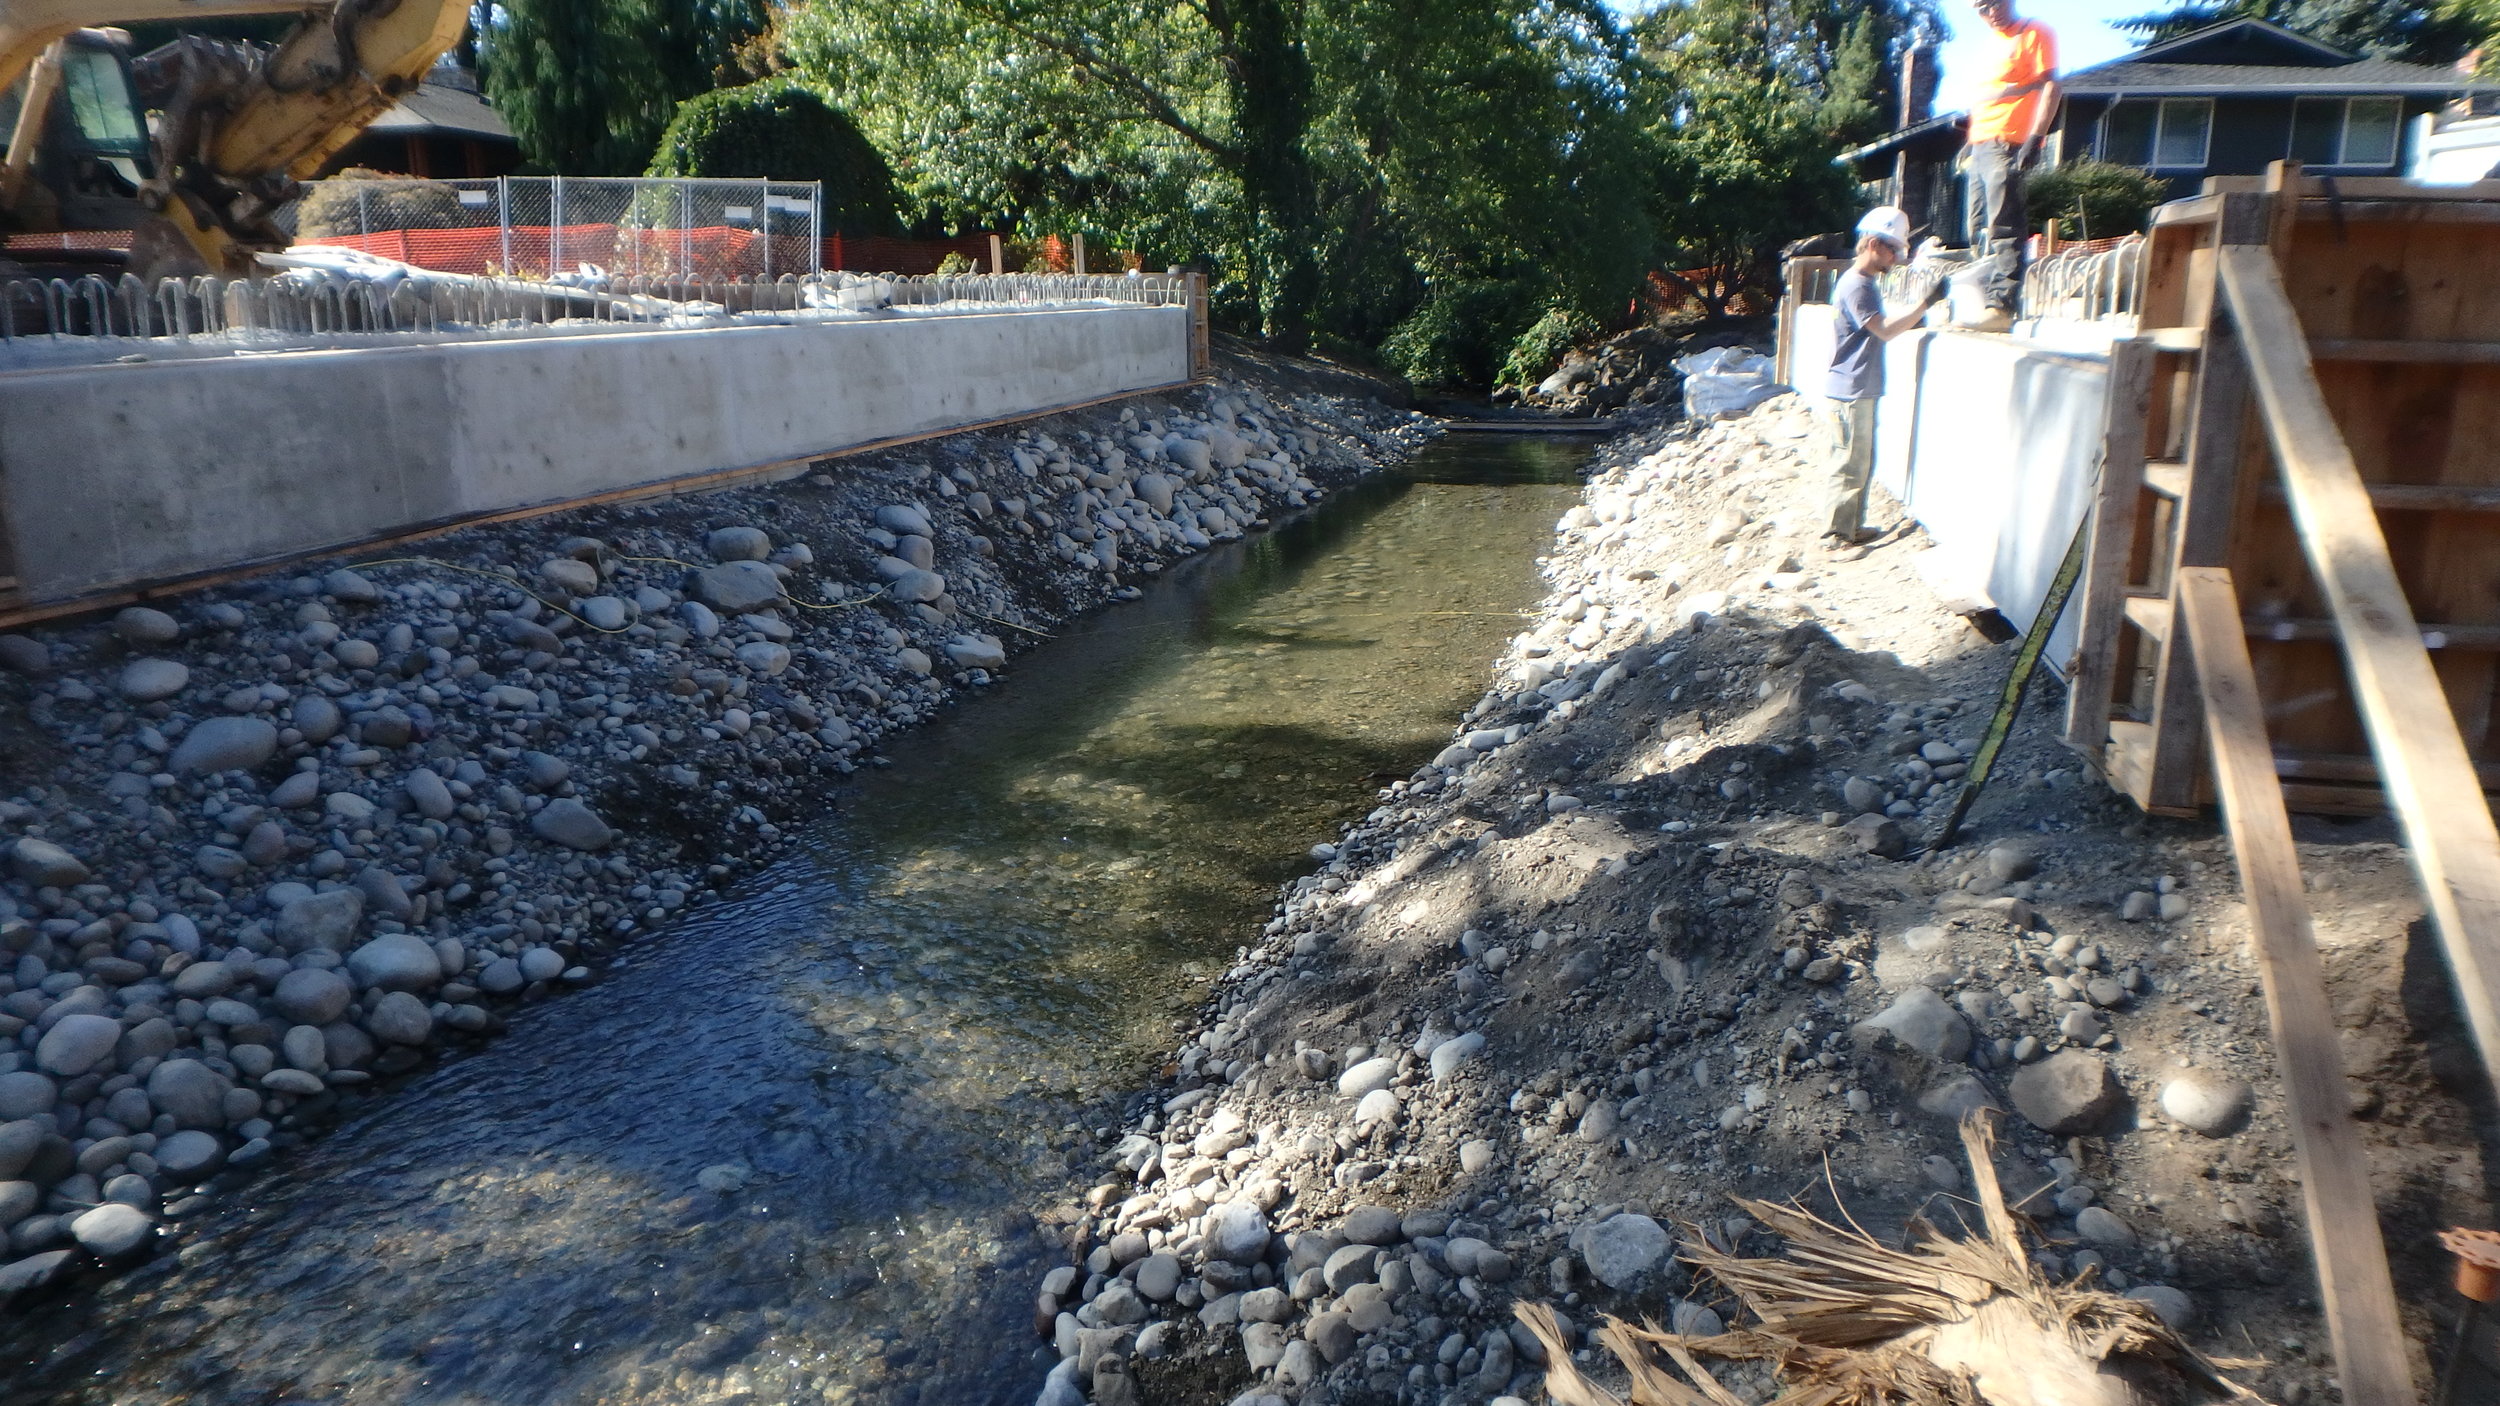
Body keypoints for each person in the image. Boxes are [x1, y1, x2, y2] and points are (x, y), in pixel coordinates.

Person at [1824, 207, 1945, 546]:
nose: (1896, 257)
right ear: (1874, 244)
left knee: (1860, 462)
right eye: (1893, 249)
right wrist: (1927, 303)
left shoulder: (1861, 283)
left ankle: (1850, 526)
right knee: (1850, 464)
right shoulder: (1858, 286)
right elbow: (1885, 330)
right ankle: (1837, 534)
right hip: (1851, 388)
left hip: (1855, 386)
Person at [1964, 0, 2059, 328]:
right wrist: (1970, 142)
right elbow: (1990, 97)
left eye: (1995, 2)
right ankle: (1980, 298)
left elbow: (2051, 85)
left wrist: (2036, 136)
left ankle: (2001, 307)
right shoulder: (1990, 45)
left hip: (2009, 140)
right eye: (1981, 7)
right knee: (1978, 226)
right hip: (1981, 143)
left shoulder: (2033, 33)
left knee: (2005, 224)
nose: (1991, 12)